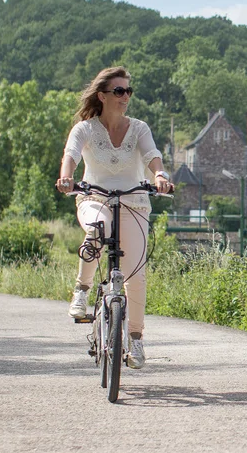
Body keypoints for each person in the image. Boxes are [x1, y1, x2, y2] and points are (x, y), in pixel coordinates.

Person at [55, 66, 173, 370]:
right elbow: (71, 154)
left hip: (134, 202)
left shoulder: (139, 128)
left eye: (128, 91)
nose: (125, 96)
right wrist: (66, 178)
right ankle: (81, 291)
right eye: (118, 91)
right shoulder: (85, 129)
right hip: (94, 198)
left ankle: (135, 338)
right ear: (102, 96)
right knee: (98, 226)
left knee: (135, 274)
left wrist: (159, 175)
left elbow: (151, 155)